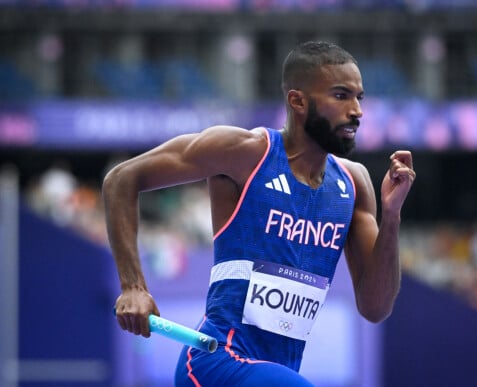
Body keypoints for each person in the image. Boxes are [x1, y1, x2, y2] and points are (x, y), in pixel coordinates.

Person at [102, 41, 416, 386]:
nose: (356, 110)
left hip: (275, 371)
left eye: (360, 98)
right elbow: (121, 178)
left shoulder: (354, 184)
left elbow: (376, 307)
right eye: (341, 96)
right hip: (217, 362)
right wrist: (133, 285)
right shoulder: (245, 154)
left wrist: (392, 214)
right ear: (298, 101)